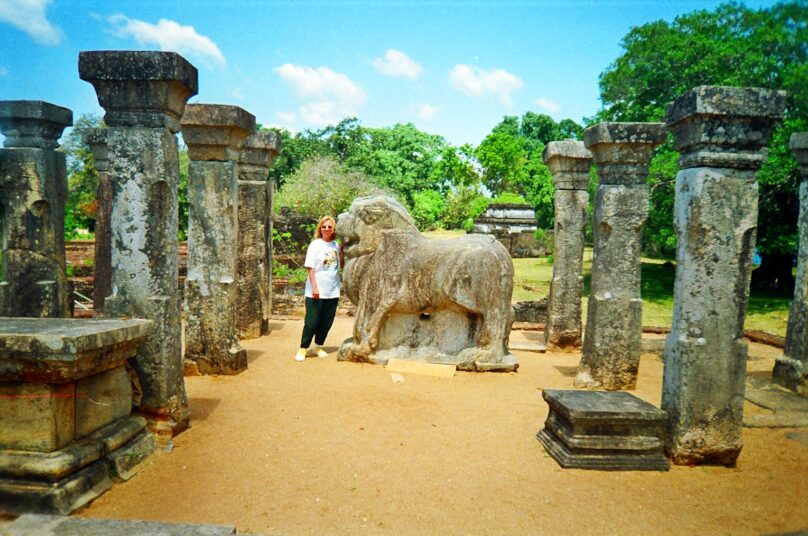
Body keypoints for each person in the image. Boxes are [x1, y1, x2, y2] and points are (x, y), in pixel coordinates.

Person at [295, 215, 343, 361]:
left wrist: (342, 251)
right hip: (316, 290)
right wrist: (315, 288)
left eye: (329, 226)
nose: (327, 229)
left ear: (333, 229)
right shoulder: (315, 245)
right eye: (324, 226)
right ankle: (303, 348)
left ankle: (318, 346)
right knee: (311, 321)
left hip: (332, 290)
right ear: (320, 228)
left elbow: (340, 265)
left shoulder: (335, 245)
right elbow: (310, 268)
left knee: (326, 321)